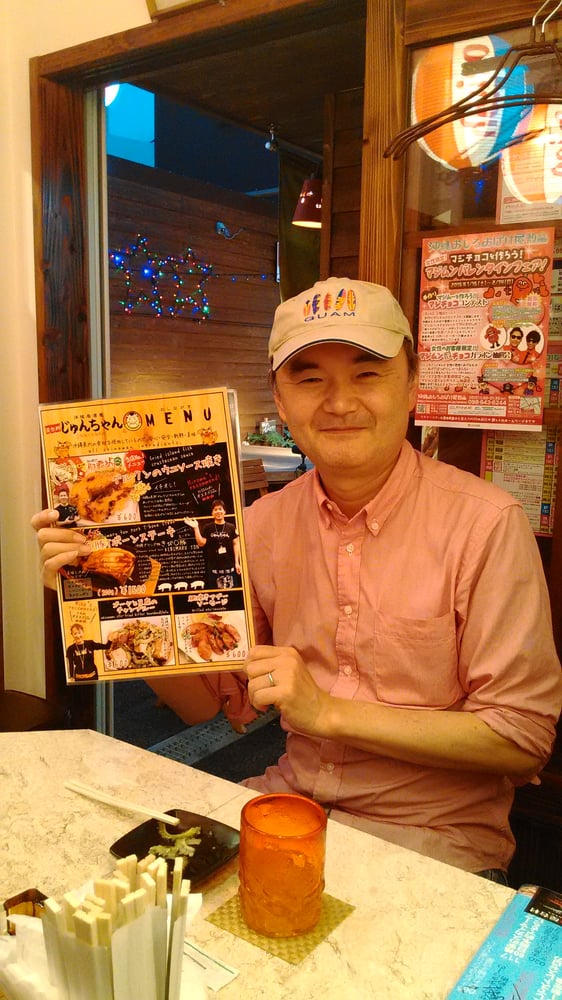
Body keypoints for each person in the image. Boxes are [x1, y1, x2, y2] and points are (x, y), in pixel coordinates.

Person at [32, 277, 562, 880]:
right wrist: (110, 604)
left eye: (367, 374)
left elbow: (520, 739)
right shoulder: (261, 524)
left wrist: (326, 712)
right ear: (281, 402)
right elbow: (207, 705)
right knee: (110, 891)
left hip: (431, 842)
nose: (338, 403)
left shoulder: (486, 525)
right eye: (309, 379)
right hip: (284, 810)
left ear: (413, 384)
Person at [184, 498, 242, 590]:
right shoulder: (208, 527)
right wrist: (196, 528)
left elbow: (235, 544)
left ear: (224, 511)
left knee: (231, 594)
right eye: (215, 509)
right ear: (212, 513)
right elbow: (201, 543)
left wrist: (237, 563)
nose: (218, 511)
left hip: (229, 568)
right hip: (214, 569)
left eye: (220, 509)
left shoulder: (231, 527)